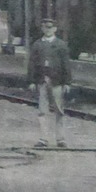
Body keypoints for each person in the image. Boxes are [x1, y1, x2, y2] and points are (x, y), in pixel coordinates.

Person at [27, 17, 71, 148]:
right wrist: (31, 81)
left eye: (50, 27)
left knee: (59, 110)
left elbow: (66, 65)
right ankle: (43, 139)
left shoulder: (61, 45)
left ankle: (60, 139)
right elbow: (32, 64)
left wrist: (67, 82)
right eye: (45, 27)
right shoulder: (37, 45)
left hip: (57, 81)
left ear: (55, 29)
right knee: (42, 110)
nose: (48, 29)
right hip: (41, 81)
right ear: (42, 28)